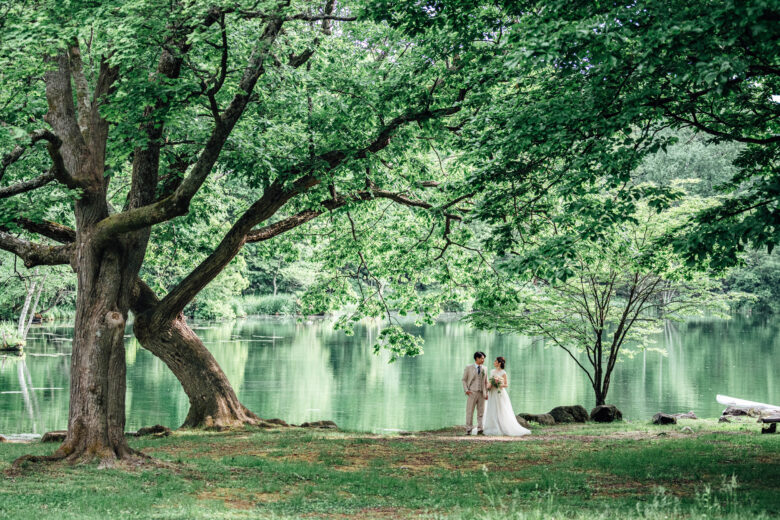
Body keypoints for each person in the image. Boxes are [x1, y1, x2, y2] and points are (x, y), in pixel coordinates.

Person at [483, 357, 531, 437]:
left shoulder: (503, 372)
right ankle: (492, 426)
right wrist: (489, 386)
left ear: (499, 363)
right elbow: (489, 382)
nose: (494, 362)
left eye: (495, 361)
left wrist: (498, 384)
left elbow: (506, 384)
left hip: (499, 393)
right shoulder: (492, 371)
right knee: (492, 408)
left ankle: (502, 426)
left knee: (501, 409)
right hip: (492, 392)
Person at [462, 351, 489, 435]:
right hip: (472, 392)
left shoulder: (485, 368)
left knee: (481, 411)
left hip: (482, 393)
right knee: (470, 411)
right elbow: (464, 379)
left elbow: (486, 381)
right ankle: (468, 429)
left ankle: (480, 428)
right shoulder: (469, 367)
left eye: (484, 358)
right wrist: (466, 390)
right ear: (477, 358)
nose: (483, 360)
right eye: (482, 358)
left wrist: (486, 392)